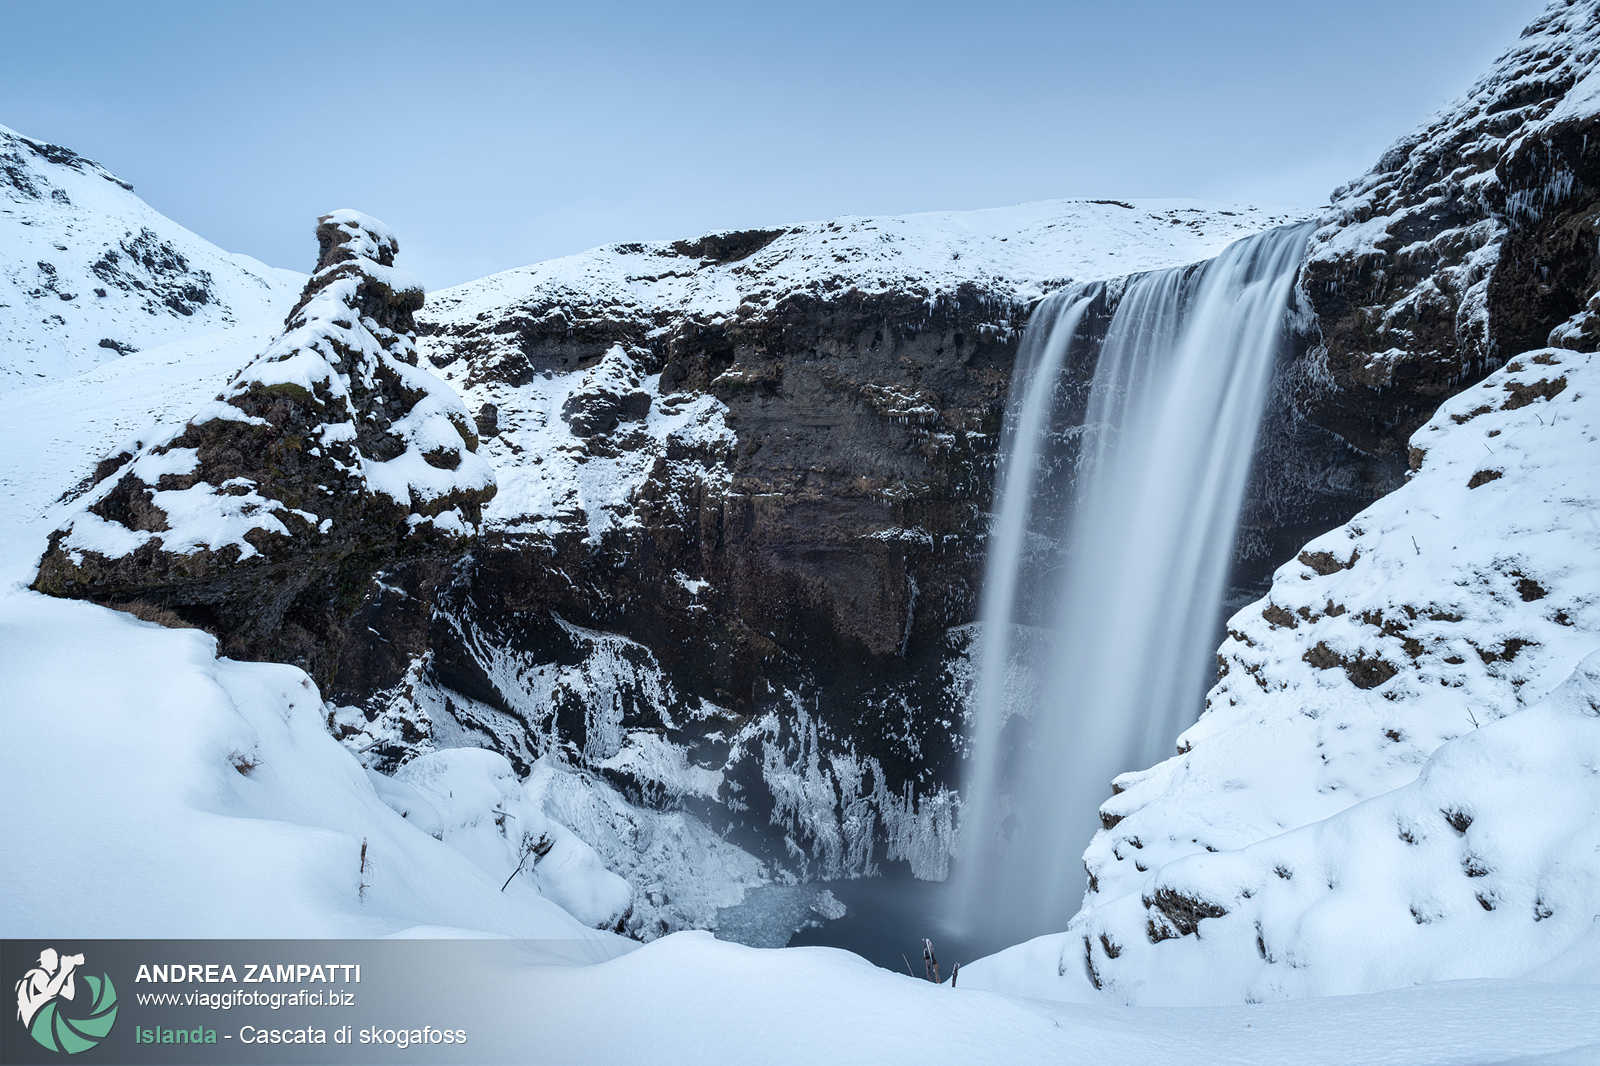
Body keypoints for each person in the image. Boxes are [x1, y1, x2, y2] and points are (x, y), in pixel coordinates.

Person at [15, 948, 83, 1029]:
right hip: (35, 1022)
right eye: (53, 958)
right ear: (44, 961)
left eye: (56, 958)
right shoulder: (38, 974)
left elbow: (69, 995)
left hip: (39, 1021)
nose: (56, 961)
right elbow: (51, 991)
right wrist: (64, 971)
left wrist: (70, 974)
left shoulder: (49, 980)